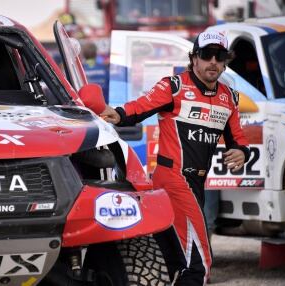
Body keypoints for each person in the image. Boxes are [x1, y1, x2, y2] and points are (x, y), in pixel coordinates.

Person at [100, 30, 249, 285]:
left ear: (226, 61)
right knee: (199, 264)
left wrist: (241, 152)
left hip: (196, 185)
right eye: (206, 54)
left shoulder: (229, 98)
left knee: (174, 262)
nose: (213, 61)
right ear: (194, 59)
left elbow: (238, 139)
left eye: (219, 56)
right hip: (174, 179)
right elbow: (140, 106)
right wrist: (119, 113)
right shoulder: (174, 86)